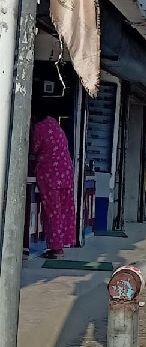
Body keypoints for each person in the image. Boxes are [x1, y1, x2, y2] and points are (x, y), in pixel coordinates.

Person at [30, 103, 76, 258]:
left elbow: (33, 149)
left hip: (50, 173)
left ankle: (56, 249)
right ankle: (64, 242)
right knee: (64, 209)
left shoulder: (39, 128)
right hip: (66, 171)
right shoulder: (53, 123)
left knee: (52, 212)